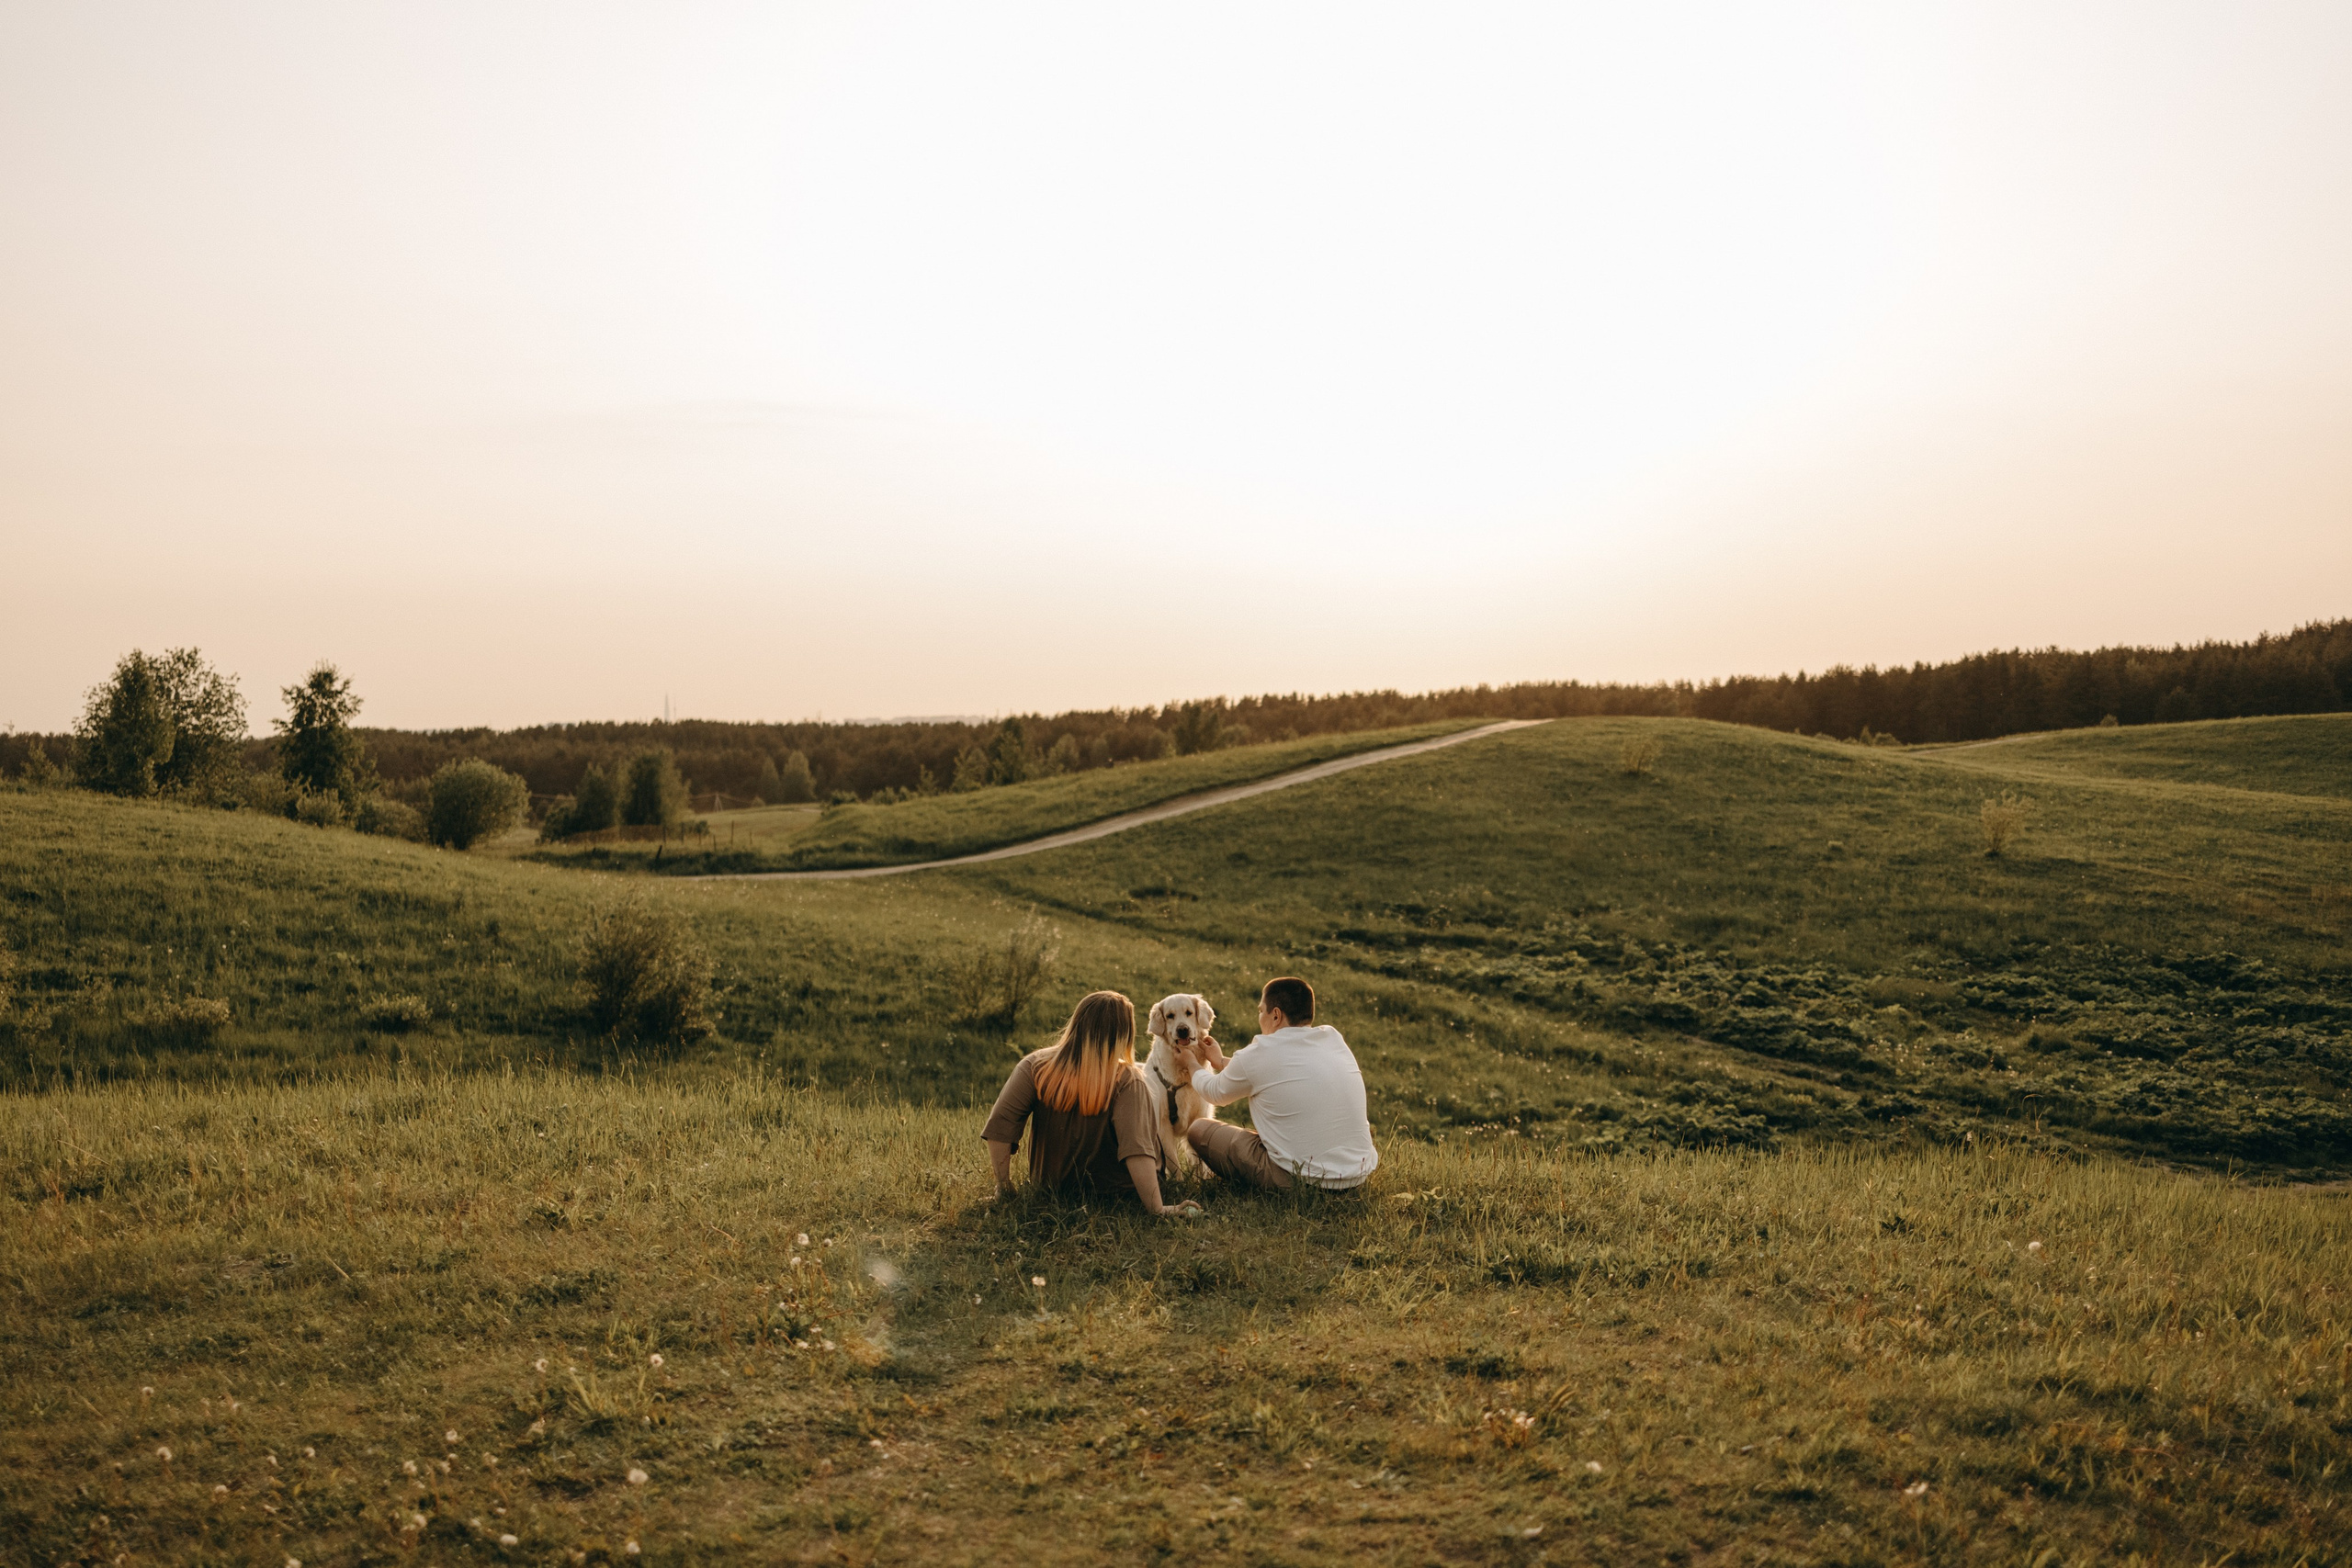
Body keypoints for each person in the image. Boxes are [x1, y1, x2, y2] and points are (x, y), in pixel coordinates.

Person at [982, 989, 1202, 1216]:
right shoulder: (1128, 1080)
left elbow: (1001, 1125)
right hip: (1120, 1193)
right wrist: (1157, 1208)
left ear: (1076, 1024)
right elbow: (1137, 1149)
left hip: (1051, 1187)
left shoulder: (1034, 1065)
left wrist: (1003, 1186)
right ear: (1124, 1034)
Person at [1170, 976, 1378, 1190]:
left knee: (1199, 1129)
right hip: (1357, 1176)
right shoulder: (1333, 1038)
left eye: (1261, 1011)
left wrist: (1191, 1063)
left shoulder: (1262, 1051)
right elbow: (1276, 1071)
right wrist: (1222, 1062)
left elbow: (1215, 1093)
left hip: (1301, 1182)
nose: (1260, 1017)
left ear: (1276, 1015)